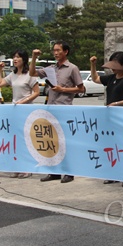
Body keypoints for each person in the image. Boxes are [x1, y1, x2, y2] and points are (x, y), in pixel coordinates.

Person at [29, 41, 84, 184]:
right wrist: (34, 57)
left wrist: (63, 90)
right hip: (50, 108)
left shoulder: (72, 68)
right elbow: (32, 73)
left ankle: (69, 172)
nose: (56, 53)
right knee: (51, 140)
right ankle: (53, 171)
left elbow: (81, 89)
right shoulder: (50, 69)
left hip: (64, 109)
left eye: (58, 50)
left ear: (66, 52)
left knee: (65, 142)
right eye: (54, 50)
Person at [90, 51, 123, 187]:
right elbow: (96, 79)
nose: (113, 68)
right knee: (111, 146)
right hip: (110, 117)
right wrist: (93, 65)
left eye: (116, 65)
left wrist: (116, 103)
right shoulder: (111, 78)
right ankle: (113, 173)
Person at [0, 49, 40, 179]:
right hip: (15, 110)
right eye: (14, 57)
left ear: (24, 60)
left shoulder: (30, 75)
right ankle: (18, 166)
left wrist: (24, 101)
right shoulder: (13, 75)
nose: (15, 59)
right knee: (16, 140)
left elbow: (36, 92)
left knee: (25, 140)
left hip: (26, 110)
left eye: (18, 57)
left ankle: (27, 168)